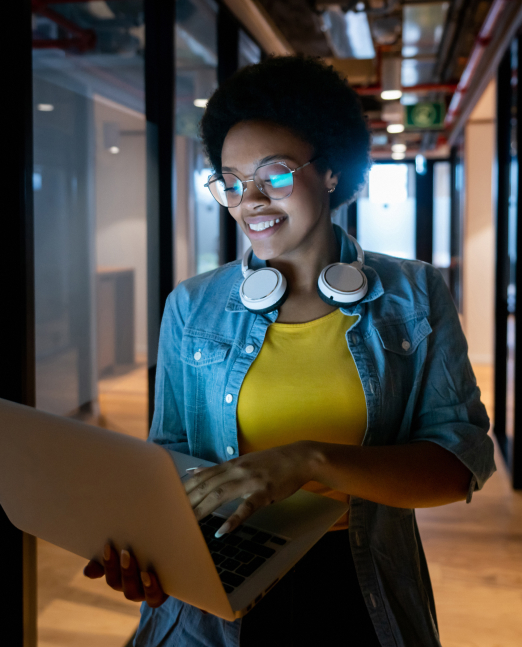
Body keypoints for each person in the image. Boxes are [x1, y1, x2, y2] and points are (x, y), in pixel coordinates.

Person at [84, 55, 497, 647]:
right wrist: (148, 550)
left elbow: (459, 466)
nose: (248, 199)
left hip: (358, 588)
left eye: (273, 175)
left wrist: (310, 461)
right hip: (216, 589)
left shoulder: (414, 296)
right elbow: (170, 463)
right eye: (229, 181)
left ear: (330, 171)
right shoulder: (191, 306)